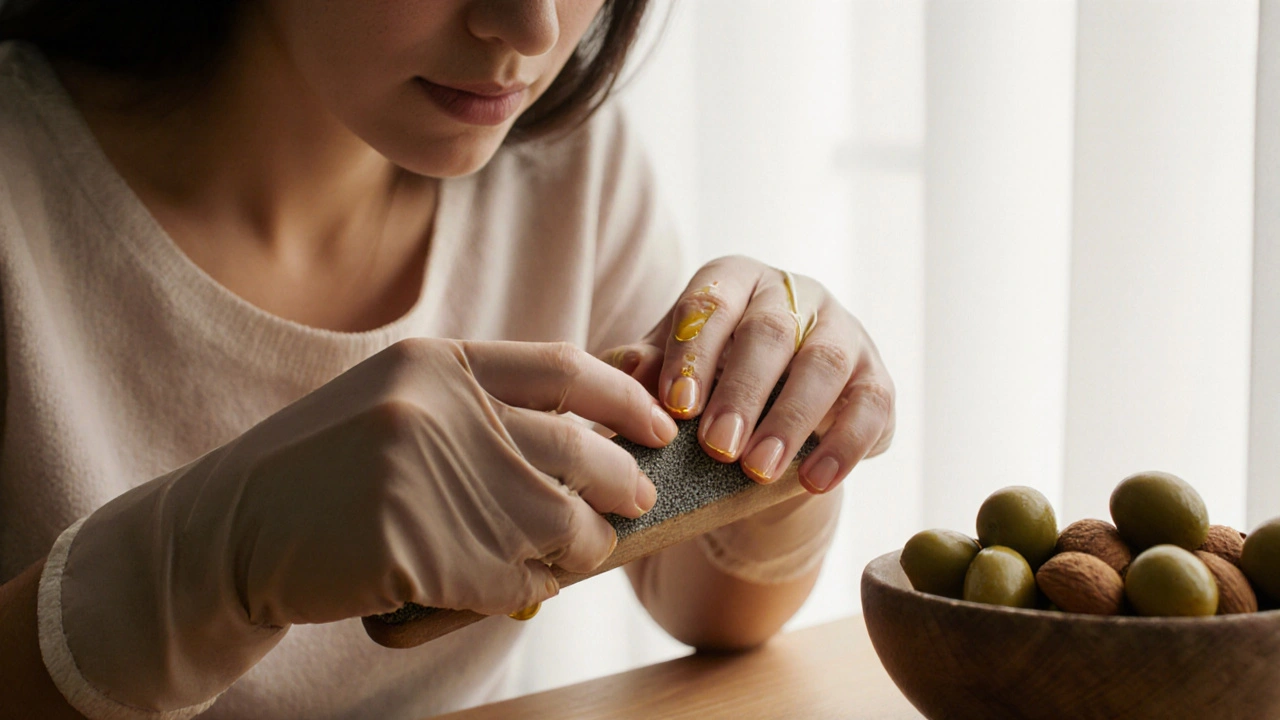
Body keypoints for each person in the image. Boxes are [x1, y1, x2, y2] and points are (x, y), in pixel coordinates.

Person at [0, 1, 896, 718]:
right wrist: (197, 567)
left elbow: (701, 604)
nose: (533, 29)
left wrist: (769, 449)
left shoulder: (568, 169)